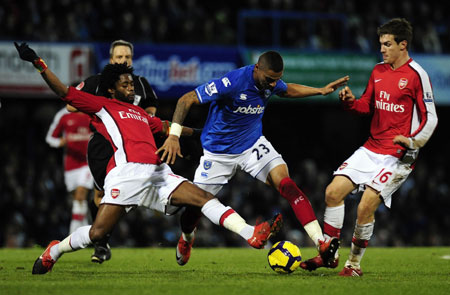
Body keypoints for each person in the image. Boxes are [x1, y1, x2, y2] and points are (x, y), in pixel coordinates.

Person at [14, 42, 283, 275]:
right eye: (125, 84)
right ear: (111, 89)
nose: (131, 89)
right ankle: (55, 250)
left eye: (132, 84)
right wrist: (39, 63)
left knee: (202, 198)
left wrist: (204, 134)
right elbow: (64, 92)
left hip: (157, 172)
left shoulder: (141, 114)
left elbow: (168, 127)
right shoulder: (103, 106)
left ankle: (251, 233)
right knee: (97, 234)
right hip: (126, 174)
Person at [157, 50, 349, 266]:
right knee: (194, 208)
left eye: (276, 80)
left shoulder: (271, 83)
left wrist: (320, 91)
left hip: (252, 146)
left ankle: (320, 241)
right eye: (269, 80)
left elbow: (287, 90)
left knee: (287, 185)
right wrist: (174, 136)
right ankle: (186, 239)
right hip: (218, 153)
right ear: (256, 68)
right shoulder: (233, 81)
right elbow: (187, 99)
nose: (273, 85)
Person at [300, 18, 438, 277]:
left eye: (387, 44)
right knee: (332, 192)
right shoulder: (378, 71)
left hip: (399, 156)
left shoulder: (417, 75)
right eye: (381, 44)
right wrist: (351, 102)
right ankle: (329, 255)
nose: (382, 49)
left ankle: (353, 265)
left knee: (365, 207)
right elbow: (367, 105)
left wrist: (412, 141)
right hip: (371, 147)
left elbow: (431, 117)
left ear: (403, 45)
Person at [76, 40, 159, 263]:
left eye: (128, 58)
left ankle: (102, 239)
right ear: (111, 59)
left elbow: (151, 109)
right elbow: (71, 104)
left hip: (131, 145)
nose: (124, 61)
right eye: (119, 57)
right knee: (100, 194)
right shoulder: (97, 82)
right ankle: (102, 243)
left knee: (119, 195)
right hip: (103, 144)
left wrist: (140, 117)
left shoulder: (139, 83)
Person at [45, 106, 93, 234]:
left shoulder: (92, 114)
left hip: (88, 163)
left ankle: (73, 233)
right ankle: (86, 233)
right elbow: (50, 138)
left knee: (80, 194)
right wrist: (58, 142)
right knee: (79, 201)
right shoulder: (63, 115)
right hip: (71, 165)